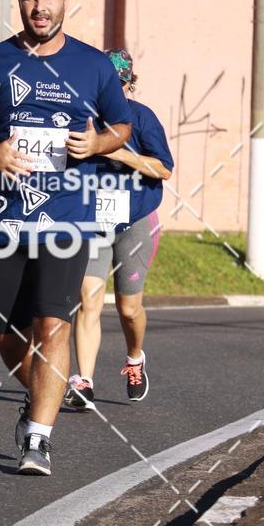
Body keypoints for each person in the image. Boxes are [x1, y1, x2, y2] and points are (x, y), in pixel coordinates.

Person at [0, 0, 131, 475]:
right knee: (7, 335)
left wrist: (99, 141)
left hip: (68, 218)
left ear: (66, 0)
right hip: (5, 218)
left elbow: (122, 126)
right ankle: (42, 394)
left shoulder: (94, 66)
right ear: (19, 2)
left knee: (54, 324)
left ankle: (38, 440)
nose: (39, 6)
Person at [65, 48, 173, 410]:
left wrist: (118, 153)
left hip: (136, 219)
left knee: (128, 309)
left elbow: (164, 170)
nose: (115, 90)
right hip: (93, 220)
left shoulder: (142, 119)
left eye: (121, 83)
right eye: (107, 84)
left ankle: (134, 356)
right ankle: (84, 381)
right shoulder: (83, 120)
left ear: (129, 84)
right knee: (89, 298)